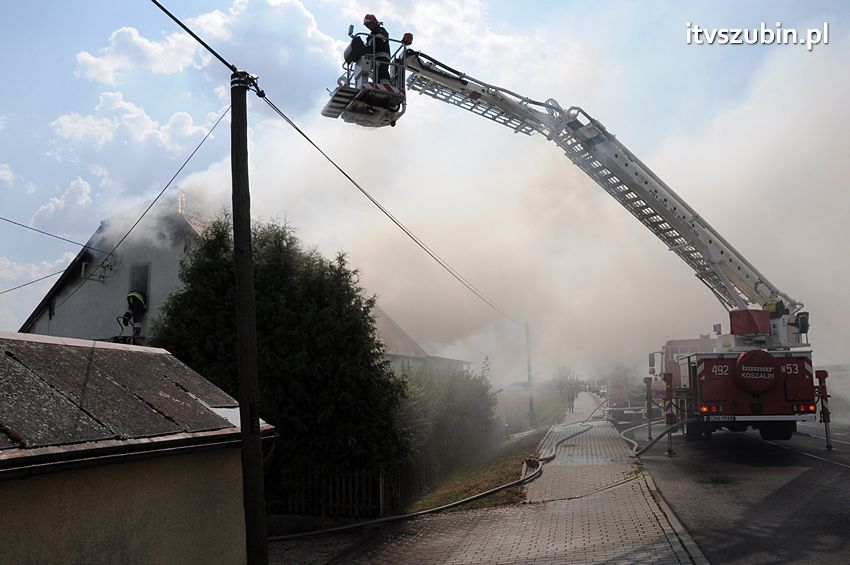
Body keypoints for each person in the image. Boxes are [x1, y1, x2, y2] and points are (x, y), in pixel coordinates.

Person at [363, 13, 391, 85]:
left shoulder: (381, 30)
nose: (368, 27)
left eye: (369, 24)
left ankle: (386, 86)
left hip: (382, 57)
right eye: (367, 25)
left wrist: (369, 47)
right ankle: (379, 85)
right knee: (377, 75)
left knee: (382, 71)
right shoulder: (370, 36)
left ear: (374, 22)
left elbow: (379, 41)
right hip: (375, 59)